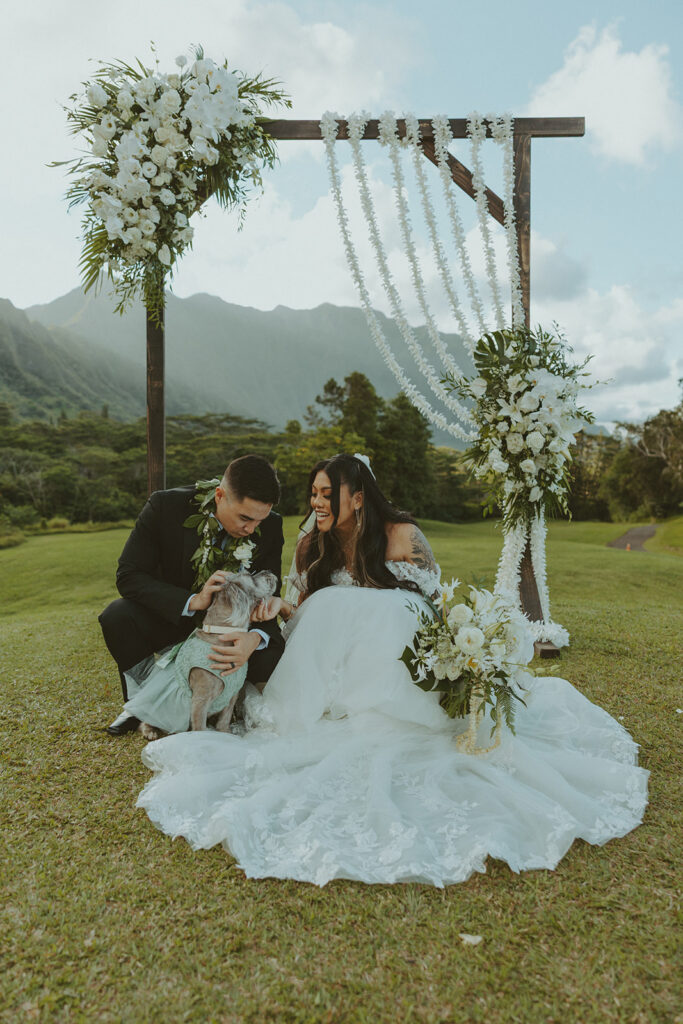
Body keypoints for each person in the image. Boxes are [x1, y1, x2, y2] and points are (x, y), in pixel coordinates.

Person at [135, 454, 648, 887]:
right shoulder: (312, 544)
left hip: (397, 658)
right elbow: (297, 607)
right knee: (332, 605)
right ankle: (326, 705)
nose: (315, 503)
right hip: (335, 655)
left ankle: (381, 710)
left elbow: (430, 608)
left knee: (365, 607)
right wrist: (274, 613)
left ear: (357, 496)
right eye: (312, 493)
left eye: (325, 493)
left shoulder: (401, 535)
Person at [100, 455, 285, 736]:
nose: (252, 529)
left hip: (231, 635)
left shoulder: (270, 525)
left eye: (259, 520)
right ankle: (143, 704)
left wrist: (253, 639)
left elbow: (270, 594)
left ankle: (232, 702)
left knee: (272, 650)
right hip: (175, 621)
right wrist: (192, 601)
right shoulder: (165, 507)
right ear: (220, 495)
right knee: (117, 616)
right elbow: (129, 574)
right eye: (245, 518)